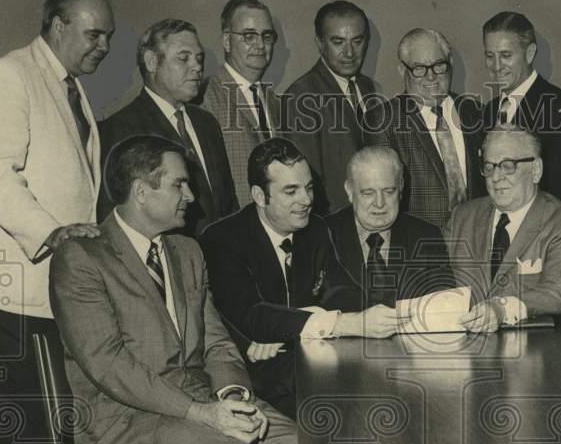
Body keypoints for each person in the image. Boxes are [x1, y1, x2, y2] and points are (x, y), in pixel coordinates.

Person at [50, 135, 298, 444]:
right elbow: (110, 365)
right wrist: (200, 413)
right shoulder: (81, 257)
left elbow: (216, 342)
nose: (191, 196)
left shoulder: (188, 252)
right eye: (179, 184)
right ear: (141, 191)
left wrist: (235, 397)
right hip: (127, 420)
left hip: (201, 401)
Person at [0, 0, 114, 444]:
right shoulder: (7, 76)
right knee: (33, 439)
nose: (104, 47)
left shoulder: (69, 86)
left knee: (58, 432)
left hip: (58, 286)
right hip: (16, 290)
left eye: (108, 36)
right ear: (57, 24)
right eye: (94, 34)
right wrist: (54, 234)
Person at [198, 138, 404, 415]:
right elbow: (251, 317)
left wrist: (297, 320)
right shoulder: (222, 239)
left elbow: (343, 291)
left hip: (306, 360)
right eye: (291, 191)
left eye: (308, 188)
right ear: (260, 196)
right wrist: (340, 323)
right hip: (254, 373)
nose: (306, 200)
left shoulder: (315, 228)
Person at [445, 127, 561, 333]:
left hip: (530, 355)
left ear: (536, 170)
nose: (496, 177)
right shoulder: (462, 217)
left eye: (508, 166)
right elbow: (435, 281)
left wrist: (502, 309)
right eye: (489, 167)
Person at [98, 18, 238, 235]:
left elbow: (228, 205)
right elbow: (117, 221)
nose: (197, 67)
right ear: (151, 62)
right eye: (184, 58)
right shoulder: (117, 129)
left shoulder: (207, 123)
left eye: (199, 58)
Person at [362, 28, 485, 229]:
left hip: (477, 241)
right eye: (419, 68)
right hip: (420, 249)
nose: (431, 77)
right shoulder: (382, 120)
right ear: (402, 70)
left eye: (439, 66)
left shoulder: (475, 112)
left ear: (450, 64)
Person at [482, 11, 561, 222]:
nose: (496, 66)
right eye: (490, 56)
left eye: (506, 56)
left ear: (530, 53)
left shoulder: (559, 108)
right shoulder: (489, 111)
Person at [325, 145, 454, 307]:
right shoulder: (322, 235)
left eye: (388, 191)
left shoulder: (427, 236)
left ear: (401, 187)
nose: (380, 203)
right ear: (349, 190)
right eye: (368, 193)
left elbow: (444, 309)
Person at [284, 0, 376, 213]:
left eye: (357, 41)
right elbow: (305, 181)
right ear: (320, 43)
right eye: (338, 42)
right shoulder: (301, 94)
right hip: (334, 225)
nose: (350, 52)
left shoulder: (366, 86)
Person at [199, 0, 283, 206]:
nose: (260, 45)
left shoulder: (274, 101)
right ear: (227, 41)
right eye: (249, 36)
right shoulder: (206, 96)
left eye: (267, 36)